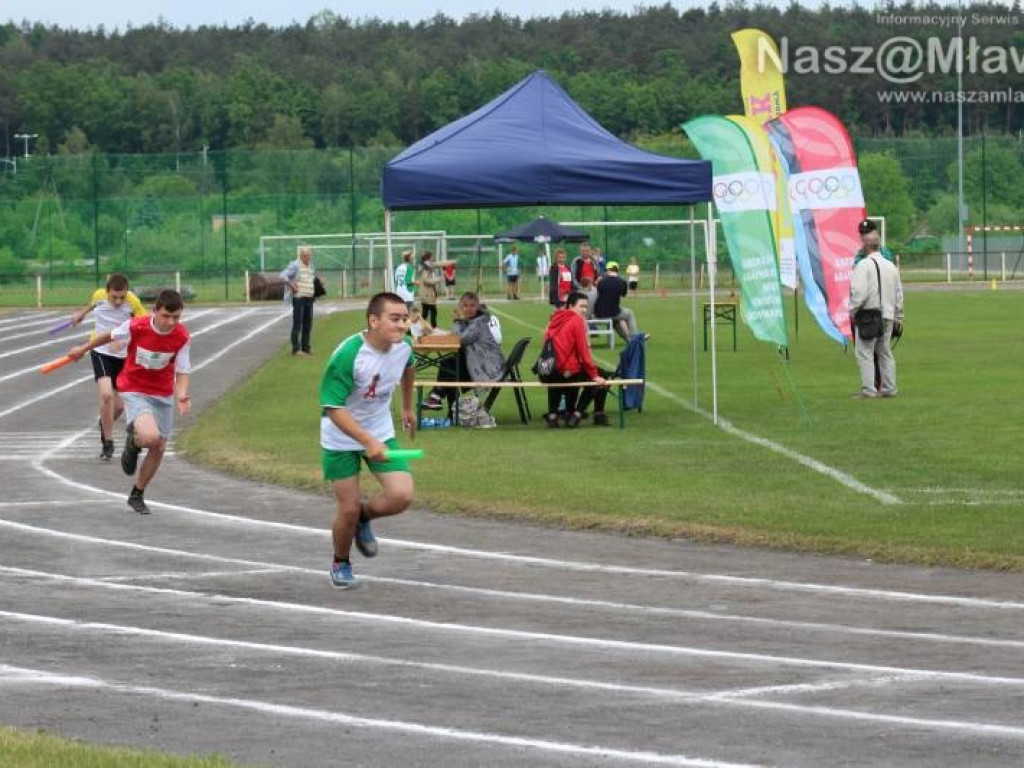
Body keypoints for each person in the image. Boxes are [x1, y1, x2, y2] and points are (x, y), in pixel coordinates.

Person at [319, 292, 416, 589]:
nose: (402, 325)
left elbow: (409, 367)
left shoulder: (404, 347)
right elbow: (333, 407)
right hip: (340, 435)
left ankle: (363, 518)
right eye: (394, 319)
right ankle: (341, 563)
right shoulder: (349, 354)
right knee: (346, 509)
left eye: (405, 319)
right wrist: (367, 441)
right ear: (373, 321)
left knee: (401, 495)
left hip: (380, 430)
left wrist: (407, 407)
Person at [68, 289, 191, 515]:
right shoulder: (137, 326)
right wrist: (83, 349)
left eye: (176, 317)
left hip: (162, 393)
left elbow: (182, 371)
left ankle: (137, 493)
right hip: (135, 389)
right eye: (166, 316)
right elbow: (108, 336)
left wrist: (182, 394)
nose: (171, 322)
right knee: (150, 437)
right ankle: (134, 442)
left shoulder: (182, 336)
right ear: (155, 311)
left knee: (159, 446)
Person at [70, 273, 148, 461]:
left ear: (127, 292)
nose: (119, 301)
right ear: (107, 292)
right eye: (114, 297)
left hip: (123, 356)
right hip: (100, 351)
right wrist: (81, 314)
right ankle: (108, 442)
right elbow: (92, 305)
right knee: (106, 395)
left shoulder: (133, 302)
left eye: (122, 297)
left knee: (119, 407)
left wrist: (124, 341)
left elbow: (144, 326)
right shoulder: (99, 296)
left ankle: (104, 424)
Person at [423, 292, 504, 419]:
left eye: (472, 305)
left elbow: (459, 339)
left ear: (478, 306)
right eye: (465, 306)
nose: (469, 309)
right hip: (481, 364)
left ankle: (437, 395)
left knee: (449, 366)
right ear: (461, 307)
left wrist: (457, 320)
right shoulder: (472, 321)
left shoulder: (479, 323)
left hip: (489, 369)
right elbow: (458, 337)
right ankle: (444, 404)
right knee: (450, 365)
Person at [539, 291, 611, 428]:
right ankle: (577, 415)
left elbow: (545, 344)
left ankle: (553, 416)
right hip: (566, 372)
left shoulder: (555, 318)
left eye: (586, 307)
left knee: (566, 374)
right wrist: (594, 375)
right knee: (600, 375)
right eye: (581, 306)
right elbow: (584, 352)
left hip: (546, 372)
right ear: (571, 306)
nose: (584, 310)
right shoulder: (577, 320)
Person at [849, 230, 904, 398]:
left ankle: (868, 389)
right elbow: (898, 294)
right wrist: (899, 316)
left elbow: (859, 292)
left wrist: (853, 310)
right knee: (884, 351)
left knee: (864, 352)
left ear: (865, 246)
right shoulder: (891, 266)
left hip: (869, 315)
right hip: (888, 314)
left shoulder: (863, 265)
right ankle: (889, 387)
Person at [593, 262, 644, 344]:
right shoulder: (622, 282)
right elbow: (623, 294)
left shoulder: (601, 281)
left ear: (608, 270)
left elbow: (598, 292)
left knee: (615, 322)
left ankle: (629, 340)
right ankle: (635, 338)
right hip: (613, 311)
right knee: (630, 314)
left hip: (598, 312)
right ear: (617, 270)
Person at [280, 245, 316, 356]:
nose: (308, 258)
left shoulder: (311, 266)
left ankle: (306, 347)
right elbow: (283, 275)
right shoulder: (295, 265)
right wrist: (292, 285)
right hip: (299, 298)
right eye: (306, 256)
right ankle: (296, 349)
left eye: (309, 256)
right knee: (298, 324)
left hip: (309, 297)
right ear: (301, 256)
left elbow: (310, 278)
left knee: (308, 324)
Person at [417, 251, 441, 326]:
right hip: (427, 293)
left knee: (425, 312)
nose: (433, 258)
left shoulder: (425, 266)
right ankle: (434, 328)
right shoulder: (426, 268)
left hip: (425, 293)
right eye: (432, 257)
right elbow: (426, 280)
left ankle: (422, 327)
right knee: (433, 312)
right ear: (429, 257)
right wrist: (437, 280)